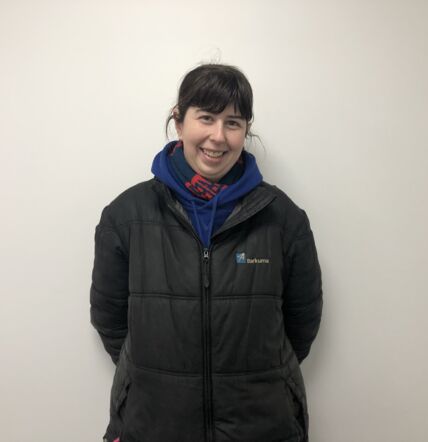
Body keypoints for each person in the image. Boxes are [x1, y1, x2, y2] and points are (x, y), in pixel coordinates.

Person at [90, 63, 323, 442]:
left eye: (233, 122)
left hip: (262, 427)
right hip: (154, 426)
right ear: (179, 122)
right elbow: (110, 320)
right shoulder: (125, 216)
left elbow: (301, 323)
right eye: (206, 117)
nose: (218, 136)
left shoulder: (283, 219)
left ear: (246, 130)